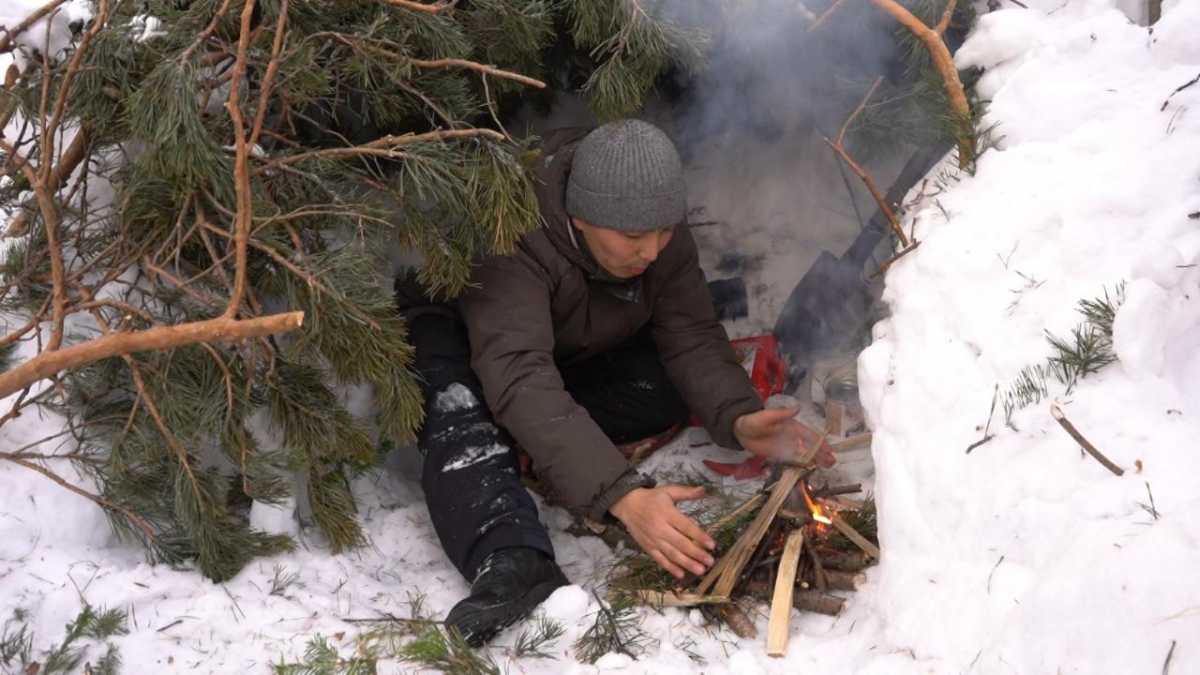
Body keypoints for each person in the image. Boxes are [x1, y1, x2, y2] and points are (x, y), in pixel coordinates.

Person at [395, 119, 834, 646]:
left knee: (663, 386)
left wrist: (739, 417)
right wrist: (621, 494)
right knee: (460, 414)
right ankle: (511, 557)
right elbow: (519, 374)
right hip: (467, 339)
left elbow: (690, 332)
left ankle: (535, 440)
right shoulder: (512, 234)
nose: (651, 251)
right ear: (581, 218)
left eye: (665, 232)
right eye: (633, 238)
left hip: (566, 343)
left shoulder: (652, 225)